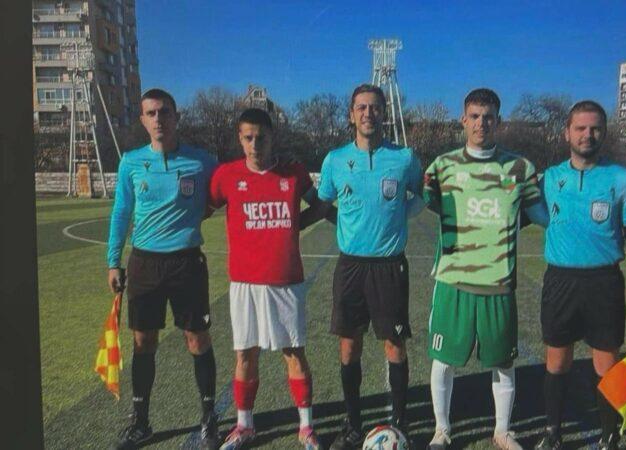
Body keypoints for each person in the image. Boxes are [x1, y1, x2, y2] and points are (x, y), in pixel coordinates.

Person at [423, 88, 544, 450]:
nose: (481, 123)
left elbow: (538, 214)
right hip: (453, 281)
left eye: (488, 117)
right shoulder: (441, 167)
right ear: (463, 120)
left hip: (498, 282)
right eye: (474, 116)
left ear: (498, 121)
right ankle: (442, 430)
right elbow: (428, 205)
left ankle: (502, 431)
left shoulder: (520, 168)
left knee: (503, 362)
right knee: (443, 360)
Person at [533, 101, 626, 450]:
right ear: (566, 133)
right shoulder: (549, 178)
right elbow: (520, 210)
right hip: (560, 282)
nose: (588, 135)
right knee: (557, 362)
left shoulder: (621, 178)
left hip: (604, 284)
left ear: (604, 132)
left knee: (607, 364)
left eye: (595, 128)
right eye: (581, 128)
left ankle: (609, 437)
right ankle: (553, 433)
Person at [209, 108, 330, 450]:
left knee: (294, 352)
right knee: (245, 354)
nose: (254, 144)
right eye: (248, 137)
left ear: (272, 137)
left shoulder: (293, 173)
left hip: (285, 280)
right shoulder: (226, 175)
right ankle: (245, 426)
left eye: (261, 137)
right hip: (244, 283)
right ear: (240, 139)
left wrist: (295, 225)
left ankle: (306, 428)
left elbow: (320, 206)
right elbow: (203, 207)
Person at [106, 89, 219, 449]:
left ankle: (209, 418)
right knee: (143, 342)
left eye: (165, 112)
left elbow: (223, 194)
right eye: (151, 113)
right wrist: (113, 261)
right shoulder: (131, 162)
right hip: (144, 264)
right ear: (142, 120)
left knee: (197, 339)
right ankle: (141, 422)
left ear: (176, 116)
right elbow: (121, 213)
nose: (159, 119)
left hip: (187, 263)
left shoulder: (202, 161)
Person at [315, 84, 425, 450]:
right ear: (351, 114)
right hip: (351, 267)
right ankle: (352, 424)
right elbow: (325, 204)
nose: (368, 113)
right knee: (349, 347)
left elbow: (421, 194)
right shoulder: (335, 160)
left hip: (389, 267)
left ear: (384, 113)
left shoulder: (404, 158)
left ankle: (401, 423)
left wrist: (400, 216)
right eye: (361, 107)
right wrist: (347, 225)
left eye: (375, 107)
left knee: (394, 344)